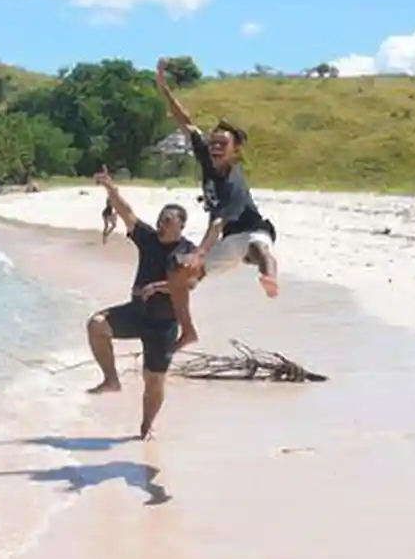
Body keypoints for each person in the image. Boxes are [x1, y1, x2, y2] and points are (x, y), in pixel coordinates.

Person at [154, 57, 279, 351]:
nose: (216, 147)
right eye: (214, 142)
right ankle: (187, 331)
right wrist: (163, 87)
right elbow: (185, 121)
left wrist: (199, 252)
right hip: (227, 242)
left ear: (236, 150)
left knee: (258, 251)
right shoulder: (207, 158)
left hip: (253, 231)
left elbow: (219, 222)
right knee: (183, 275)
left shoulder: (234, 183)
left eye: (223, 144)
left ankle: (269, 276)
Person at [87, 167, 196, 440]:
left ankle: (147, 427)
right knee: (96, 325)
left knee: (153, 381)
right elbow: (127, 213)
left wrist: (157, 287)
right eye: (160, 218)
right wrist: (110, 189)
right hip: (137, 313)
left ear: (181, 226)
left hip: (163, 324)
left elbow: (189, 284)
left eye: (168, 220)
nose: (161, 223)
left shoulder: (187, 251)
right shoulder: (148, 238)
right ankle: (111, 379)